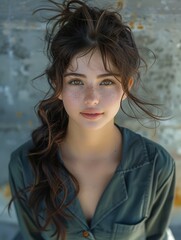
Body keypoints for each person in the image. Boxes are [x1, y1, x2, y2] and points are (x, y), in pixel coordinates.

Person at [9, 0, 176, 239]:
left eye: (106, 81)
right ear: (58, 86)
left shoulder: (157, 167)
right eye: (76, 81)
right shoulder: (24, 165)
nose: (92, 98)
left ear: (126, 87)